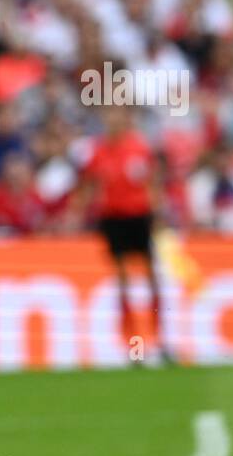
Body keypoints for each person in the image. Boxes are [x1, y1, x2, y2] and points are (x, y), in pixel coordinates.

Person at [73, 104, 172, 364]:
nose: (113, 121)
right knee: (123, 282)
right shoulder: (98, 151)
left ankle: (161, 340)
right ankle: (133, 345)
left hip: (139, 217)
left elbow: (154, 182)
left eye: (117, 116)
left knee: (152, 279)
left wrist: (158, 213)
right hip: (113, 219)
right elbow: (89, 184)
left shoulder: (139, 148)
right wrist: (76, 212)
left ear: (126, 119)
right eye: (109, 116)